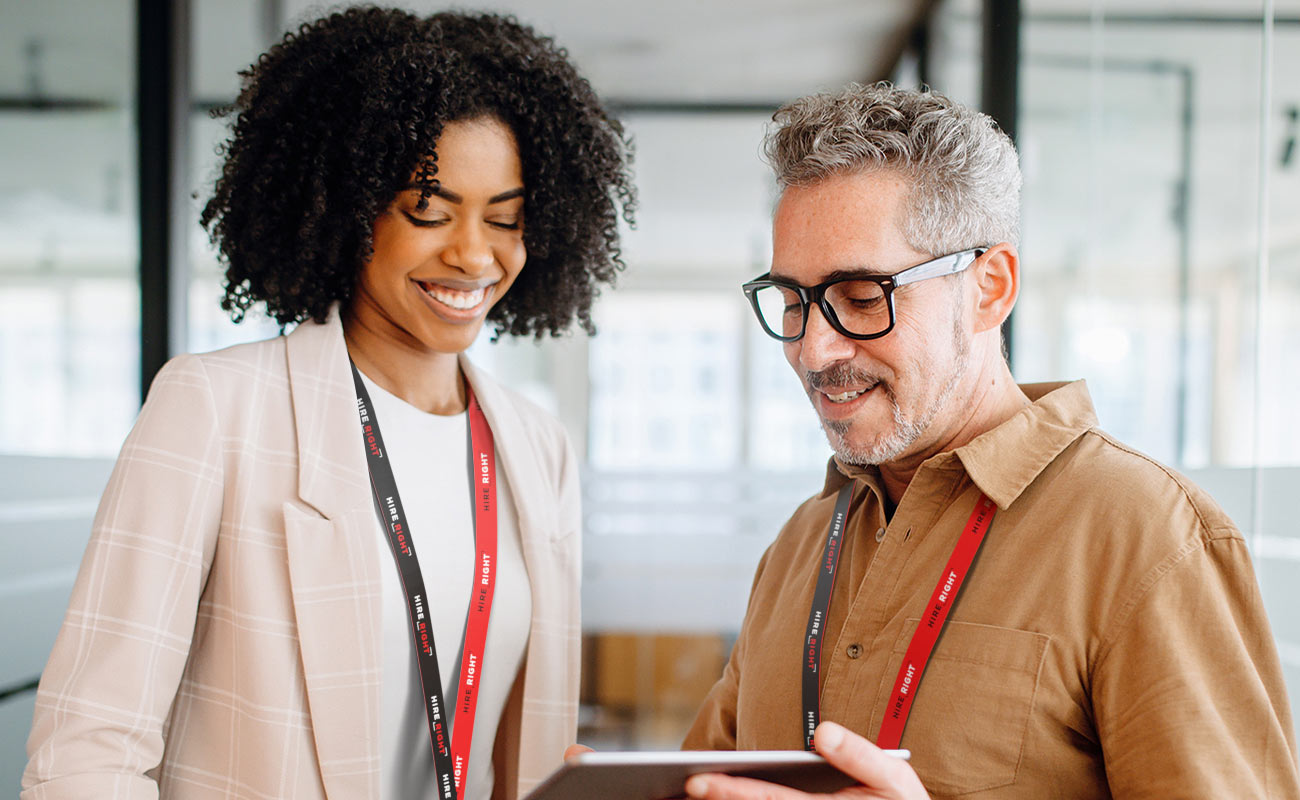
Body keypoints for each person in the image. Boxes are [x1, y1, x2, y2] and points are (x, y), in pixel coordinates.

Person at [22, 8, 633, 800]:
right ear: (349, 208)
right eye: (429, 212)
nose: (475, 255)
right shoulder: (216, 407)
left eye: (506, 219)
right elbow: (88, 750)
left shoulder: (536, 446)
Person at [679, 83, 1300, 799]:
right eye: (795, 301)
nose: (815, 350)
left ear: (990, 288)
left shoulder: (1149, 538)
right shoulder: (798, 546)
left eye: (860, 298)